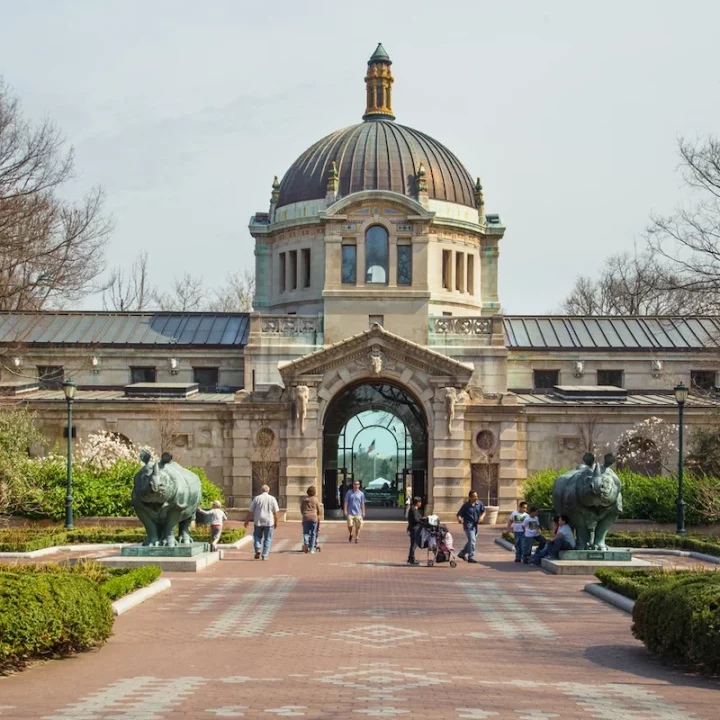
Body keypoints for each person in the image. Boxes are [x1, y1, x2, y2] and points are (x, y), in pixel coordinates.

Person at [244, 484, 279, 560]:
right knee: (267, 539)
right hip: (269, 522)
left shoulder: (257, 498)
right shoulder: (272, 499)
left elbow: (251, 511)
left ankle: (258, 548)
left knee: (257, 536)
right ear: (268, 490)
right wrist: (276, 522)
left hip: (258, 520)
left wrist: (247, 520)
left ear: (261, 490)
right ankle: (265, 555)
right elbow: (275, 512)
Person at [456, 490, 486, 563]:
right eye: (474, 496)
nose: (476, 498)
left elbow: (484, 511)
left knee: (471, 541)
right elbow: (459, 514)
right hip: (468, 525)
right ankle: (471, 557)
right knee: (472, 540)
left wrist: (482, 517)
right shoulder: (466, 505)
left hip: (475, 526)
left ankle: (462, 553)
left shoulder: (479, 504)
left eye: (477, 496)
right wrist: (459, 519)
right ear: (470, 497)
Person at [300, 485, 322, 554]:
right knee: (313, 533)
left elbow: (301, 508)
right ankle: (312, 548)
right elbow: (319, 509)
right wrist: (318, 514)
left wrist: (303, 513)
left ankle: (306, 542)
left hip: (306, 516)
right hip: (313, 517)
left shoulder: (304, 499)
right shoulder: (315, 499)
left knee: (306, 533)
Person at [406, 496, 423, 565]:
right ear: (417, 503)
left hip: (414, 528)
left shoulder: (414, 509)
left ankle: (410, 558)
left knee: (413, 544)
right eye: (420, 502)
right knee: (414, 544)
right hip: (414, 529)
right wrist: (422, 521)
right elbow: (416, 519)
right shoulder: (413, 510)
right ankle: (411, 559)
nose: (421, 503)